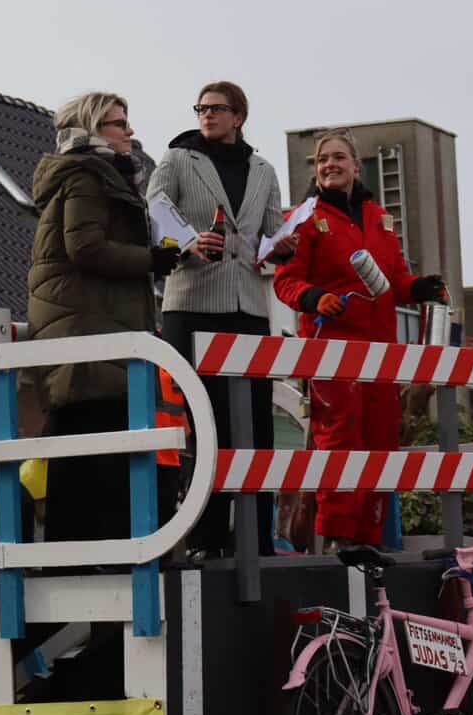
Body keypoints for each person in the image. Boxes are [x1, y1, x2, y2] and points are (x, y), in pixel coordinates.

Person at [273, 128, 447, 549]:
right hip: (331, 349)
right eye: (322, 159)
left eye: (337, 157)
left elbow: (394, 280)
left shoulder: (379, 218)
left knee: (381, 440)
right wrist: (316, 298)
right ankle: (339, 537)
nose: (329, 165)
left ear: (355, 165)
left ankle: (370, 537)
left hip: (381, 351)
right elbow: (286, 281)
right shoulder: (303, 218)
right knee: (340, 440)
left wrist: (420, 287)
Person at [147, 80, 293, 559]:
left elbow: (271, 230)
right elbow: (155, 211)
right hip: (192, 302)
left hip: (247, 304)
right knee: (204, 422)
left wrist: (283, 245)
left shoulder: (263, 169)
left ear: (239, 117)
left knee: (255, 424)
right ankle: (205, 540)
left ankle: (256, 539)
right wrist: (189, 242)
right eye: (201, 108)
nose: (206, 115)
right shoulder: (177, 159)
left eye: (216, 108)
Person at [27, 92, 179, 544]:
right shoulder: (87, 175)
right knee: (93, 451)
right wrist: (151, 259)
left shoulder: (90, 173)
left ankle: (80, 557)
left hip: (91, 328)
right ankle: (84, 558)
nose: (130, 131)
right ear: (92, 130)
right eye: (118, 123)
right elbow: (86, 247)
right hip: (89, 331)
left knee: (86, 451)